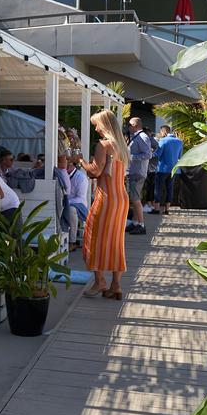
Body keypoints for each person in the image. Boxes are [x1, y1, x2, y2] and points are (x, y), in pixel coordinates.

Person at [77, 109, 130, 300]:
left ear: (104, 125)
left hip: (106, 197)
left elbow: (96, 171)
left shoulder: (103, 145)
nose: (96, 129)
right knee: (115, 240)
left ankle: (100, 281)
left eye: (97, 125)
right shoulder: (122, 146)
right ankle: (116, 285)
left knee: (93, 237)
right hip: (122, 198)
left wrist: (81, 161)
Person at [126, 117, 152, 235]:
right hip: (135, 171)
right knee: (135, 198)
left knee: (135, 199)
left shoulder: (142, 137)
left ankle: (141, 224)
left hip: (138, 172)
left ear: (135, 125)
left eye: (129, 125)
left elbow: (148, 154)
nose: (128, 127)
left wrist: (132, 157)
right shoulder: (138, 136)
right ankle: (136, 223)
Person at [153, 125, 184, 216]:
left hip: (162, 168)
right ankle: (167, 209)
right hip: (174, 169)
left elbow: (158, 154)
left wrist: (153, 152)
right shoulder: (179, 142)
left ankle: (157, 208)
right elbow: (180, 157)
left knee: (158, 188)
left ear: (164, 132)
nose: (160, 134)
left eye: (161, 132)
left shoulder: (163, 141)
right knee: (170, 188)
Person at [66, 154, 89, 249]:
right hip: (66, 202)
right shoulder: (61, 174)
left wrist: (66, 202)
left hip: (78, 204)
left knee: (71, 210)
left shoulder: (81, 177)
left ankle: (72, 241)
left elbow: (80, 197)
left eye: (67, 164)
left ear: (72, 165)